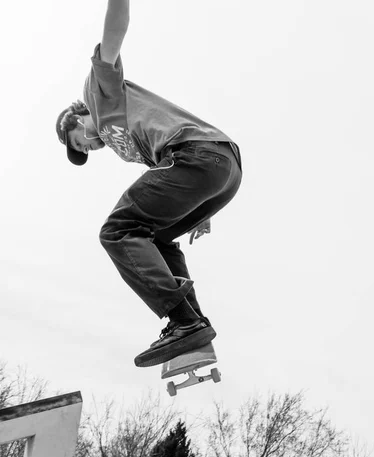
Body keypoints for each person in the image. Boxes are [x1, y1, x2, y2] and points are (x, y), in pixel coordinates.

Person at [56, 0, 242, 368]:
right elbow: (167, 171)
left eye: (81, 139)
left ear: (78, 116)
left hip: (200, 154)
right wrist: (199, 210)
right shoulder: (125, 147)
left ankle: (184, 322)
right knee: (154, 238)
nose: (90, 146)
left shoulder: (99, 94)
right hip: (217, 172)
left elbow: (114, 33)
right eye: (85, 150)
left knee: (117, 230)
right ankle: (192, 328)